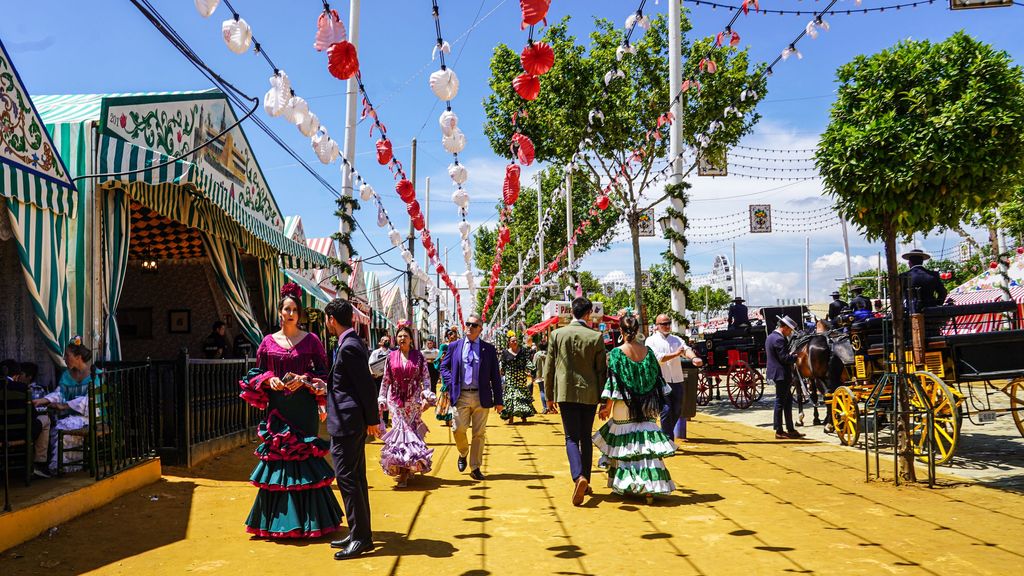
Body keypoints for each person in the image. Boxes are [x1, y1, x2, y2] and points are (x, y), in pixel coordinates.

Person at [238, 283, 342, 540]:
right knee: (279, 459)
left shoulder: (312, 341)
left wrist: (305, 379)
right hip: (278, 410)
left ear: (300, 314)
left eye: (295, 309)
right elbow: (256, 372)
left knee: (304, 457)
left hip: (303, 409)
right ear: (280, 312)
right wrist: (269, 378)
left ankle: (312, 522)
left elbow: (323, 374)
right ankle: (278, 523)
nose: (291, 313)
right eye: (287, 309)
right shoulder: (267, 342)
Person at [593, 313, 676, 504]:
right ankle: (650, 488)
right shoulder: (648, 352)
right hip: (647, 404)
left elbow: (614, 384)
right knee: (645, 444)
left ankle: (627, 484)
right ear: (637, 330)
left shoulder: (616, 353)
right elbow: (658, 381)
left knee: (625, 445)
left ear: (621, 331)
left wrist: (606, 407)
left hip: (624, 405)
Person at [324, 298, 381, 560]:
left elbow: (366, 387)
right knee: (354, 478)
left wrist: (373, 420)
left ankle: (360, 537)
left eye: (326, 319)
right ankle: (359, 532)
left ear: (331, 320)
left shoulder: (349, 347)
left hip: (348, 423)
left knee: (348, 479)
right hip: (347, 420)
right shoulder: (350, 344)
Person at [544, 297, 607, 506]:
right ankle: (585, 480)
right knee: (585, 437)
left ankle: (578, 476)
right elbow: (601, 371)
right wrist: (604, 398)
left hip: (565, 392)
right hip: (589, 393)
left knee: (571, 437)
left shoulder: (556, 334)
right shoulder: (596, 337)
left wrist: (549, 395)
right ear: (588, 313)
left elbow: (549, 367)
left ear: (571, 311)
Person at [439, 314, 503, 481]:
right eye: (467, 324)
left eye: (474, 325)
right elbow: (444, 367)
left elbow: (495, 376)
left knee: (479, 434)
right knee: (458, 429)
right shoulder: (454, 346)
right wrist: (450, 382)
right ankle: (463, 452)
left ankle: (475, 467)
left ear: (480, 330)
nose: (469, 327)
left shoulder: (488, 349)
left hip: (481, 397)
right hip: (461, 395)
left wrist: (499, 400)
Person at [377, 324, 435, 487]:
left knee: (411, 435)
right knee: (399, 435)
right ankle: (402, 471)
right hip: (395, 401)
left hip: (413, 401)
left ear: (411, 340)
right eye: (400, 336)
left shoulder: (419, 357)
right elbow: (386, 379)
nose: (402, 338)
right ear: (396, 338)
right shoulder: (391, 356)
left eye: (405, 336)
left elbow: (425, 377)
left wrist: (427, 395)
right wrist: (381, 396)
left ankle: (409, 467)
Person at [31, 337, 98, 474]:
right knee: (60, 424)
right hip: (73, 415)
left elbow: (91, 400)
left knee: (66, 425)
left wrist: (65, 406)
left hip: (91, 415)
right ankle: (63, 466)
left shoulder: (94, 374)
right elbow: (60, 393)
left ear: (78, 357)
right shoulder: (66, 375)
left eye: (67, 355)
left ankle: (62, 467)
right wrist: (43, 400)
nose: (64, 358)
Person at [646, 314, 703, 445]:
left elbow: (686, 350)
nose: (667, 326)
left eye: (668, 323)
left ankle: (664, 435)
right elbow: (658, 358)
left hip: (677, 379)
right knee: (666, 410)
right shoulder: (651, 341)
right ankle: (668, 441)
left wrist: (694, 358)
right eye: (664, 324)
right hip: (661, 381)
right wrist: (676, 354)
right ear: (657, 326)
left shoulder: (676, 339)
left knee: (677, 410)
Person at [766, 316, 804, 440]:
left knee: (786, 402)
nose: (790, 332)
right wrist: (796, 357)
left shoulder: (771, 337)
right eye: (790, 330)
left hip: (780, 373)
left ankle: (790, 428)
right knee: (780, 402)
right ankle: (779, 430)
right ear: (785, 327)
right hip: (781, 374)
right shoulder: (778, 339)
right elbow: (784, 358)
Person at [500, 333, 535, 424]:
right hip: (510, 378)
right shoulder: (505, 353)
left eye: (516, 340)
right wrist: (499, 372)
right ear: (509, 343)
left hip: (520, 378)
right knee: (511, 397)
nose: (515, 342)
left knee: (521, 397)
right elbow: (502, 365)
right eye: (513, 341)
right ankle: (511, 417)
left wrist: (532, 368)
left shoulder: (523, 351)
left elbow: (527, 361)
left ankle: (524, 416)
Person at [434, 328, 459, 425]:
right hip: (447, 373)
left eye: (455, 334)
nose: (453, 336)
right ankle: (447, 415)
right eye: (451, 334)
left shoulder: (460, 345)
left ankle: (454, 415)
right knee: (448, 392)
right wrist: (441, 359)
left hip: (458, 372)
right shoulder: (444, 346)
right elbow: (438, 361)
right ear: (447, 336)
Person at [531, 341, 550, 414]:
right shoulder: (549, 354)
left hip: (539, 375)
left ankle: (545, 407)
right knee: (548, 391)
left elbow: (533, 365)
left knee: (542, 391)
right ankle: (549, 407)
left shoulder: (536, 355)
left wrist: (533, 375)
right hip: (548, 375)